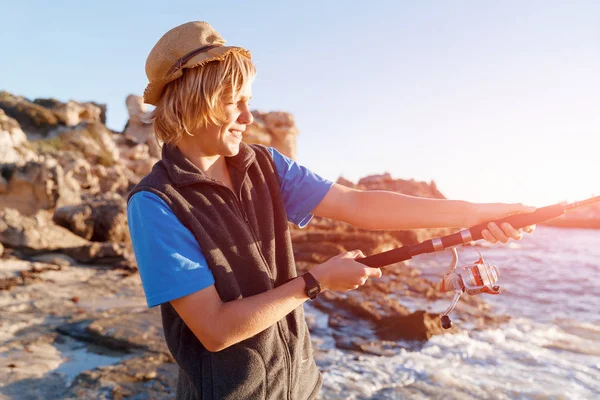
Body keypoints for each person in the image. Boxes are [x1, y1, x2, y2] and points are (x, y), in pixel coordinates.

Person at [127, 21, 536, 400]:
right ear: (194, 103)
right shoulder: (155, 204)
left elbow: (358, 204)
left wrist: (475, 215)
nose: (248, 118)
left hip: (303, 389)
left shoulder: (266, 165)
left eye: (248, 101)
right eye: (234, 103)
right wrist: (315, 282)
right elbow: (215, 329)